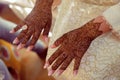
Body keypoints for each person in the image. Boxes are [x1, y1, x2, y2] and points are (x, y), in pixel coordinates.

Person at [9, 0, 120, 80]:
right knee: (61, 62)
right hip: (76, 7)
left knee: (92, 73)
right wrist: (43, 4)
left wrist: (91, 29)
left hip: (114, 18)